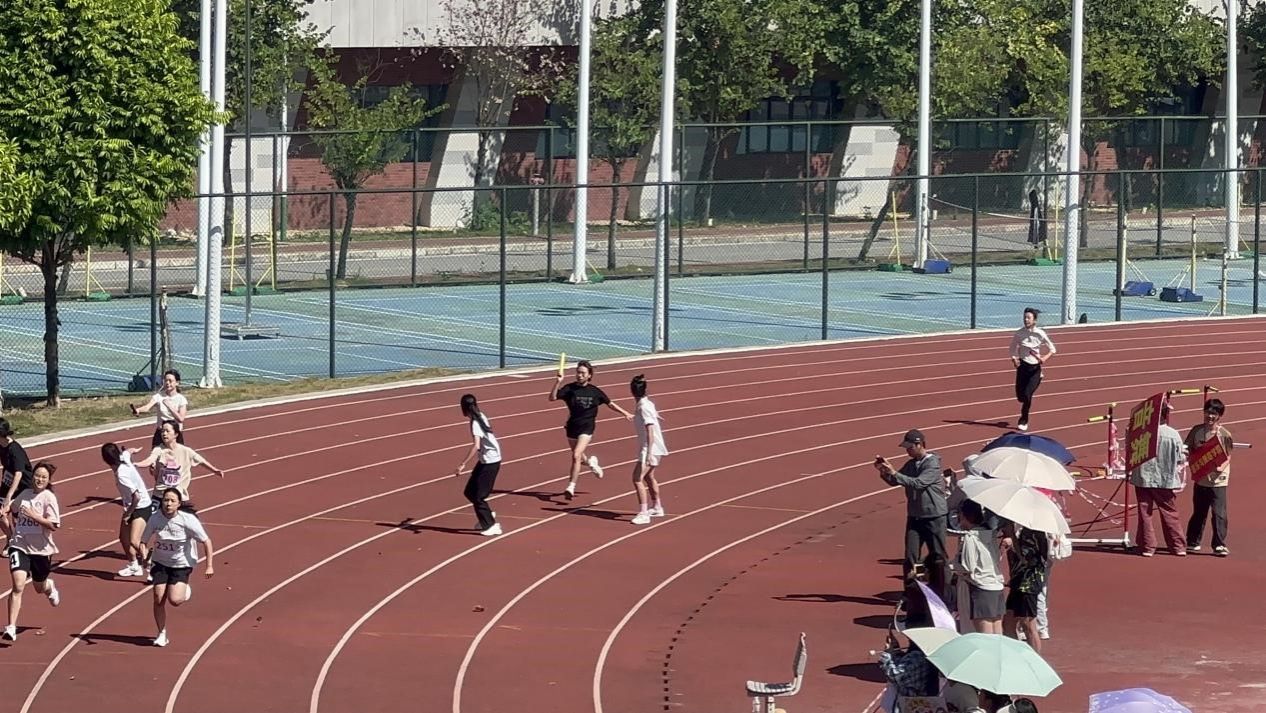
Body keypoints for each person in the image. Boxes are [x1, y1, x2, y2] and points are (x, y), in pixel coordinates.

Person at [548, 360, 633, 501]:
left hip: (587, 428)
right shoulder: (569, 389)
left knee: (576, 455)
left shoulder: (595, 392)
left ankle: (571, 487)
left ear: (589, 375)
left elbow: (610, 404)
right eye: (578, 372)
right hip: (572, 427)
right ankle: (591, 463)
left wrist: (625, 413)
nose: (579, 375)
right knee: (580, 459)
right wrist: (558, 382)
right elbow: (552, 398)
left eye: (583, 373)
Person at [141, 488, 215, 647]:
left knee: (175, 600)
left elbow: (206, 541)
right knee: (158, 598)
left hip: (181, 564)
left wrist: (209, 566)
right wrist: (145, 557)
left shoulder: (187, 520)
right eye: (165, 500)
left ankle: (184, 590)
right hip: (160, 563)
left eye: (172, 501)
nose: (168, 504)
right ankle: (161, 633)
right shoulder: (155, 519)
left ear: (179, 504)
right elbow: (143, 541)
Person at [1, 462, 62, 641]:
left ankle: (49, 587)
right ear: (33, 476)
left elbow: (54, 525)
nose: (39, 479)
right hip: (19, 545)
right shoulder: (25, 494)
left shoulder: (49, 497)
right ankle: (11, 627)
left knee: (38, 587)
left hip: (41, 550)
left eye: (44, 477)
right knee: (18, 585)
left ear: (48, 480)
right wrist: (5, 509)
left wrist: (34, 516)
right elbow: (12, 507)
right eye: (37, 476)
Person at [875, 429, 947, 577]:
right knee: (911, 556)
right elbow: (895, 481)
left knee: (937, 555)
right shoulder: (911, 464)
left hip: (934, 516)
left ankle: (943, 586)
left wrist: (894, 473)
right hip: (915, 516)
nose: (907, 450)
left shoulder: (932, 465)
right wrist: (883, 471)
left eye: (910, 447)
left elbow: (918, 483)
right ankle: (912, 587)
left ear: (919, 444)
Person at [1128, 404, 1186, 557]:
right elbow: (1181, 457)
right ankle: (1178, 546)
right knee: (1169, 512)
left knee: (1145, 512)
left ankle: (1147, 546)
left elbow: (1130, 451)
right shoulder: (1173, 434)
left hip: (1143, 477)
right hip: (1165, 479)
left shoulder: (1141, 433)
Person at [1184, 398, 1232, 557]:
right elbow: (1187, 447)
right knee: (1199, 512)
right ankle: (1193, 542)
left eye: (1214, 414)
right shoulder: (1196, 430)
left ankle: (1219, 544)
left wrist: (1219, 468)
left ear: (1219, 416)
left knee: (1219, 513)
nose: (1210, 416)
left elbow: (1228, 456)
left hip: (1218, 480)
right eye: (1208, 412)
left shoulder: (1224, 434)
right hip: (1201, 478)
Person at [131, 422, 225, 501]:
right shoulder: (158, 449)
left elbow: (201, 461)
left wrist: (215, 470)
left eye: (167, 431)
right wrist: (137, 464)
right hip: (160, 495)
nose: (164, 434)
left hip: (178, 496)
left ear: (176, 434)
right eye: (162, 431)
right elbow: (149, 460)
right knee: (153, 517)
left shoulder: (186, 451)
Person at [101, 442, 153, 578]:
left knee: (135, 541)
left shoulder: (121, 475)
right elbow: (128, 451)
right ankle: (134, 566)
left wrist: (128, 514)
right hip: (131, 506)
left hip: (141, 507)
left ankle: (153, 567)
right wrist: (134, 450)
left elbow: (137, 496)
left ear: (105, 459)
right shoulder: (124, 458)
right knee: (124, 538)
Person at [453, 394, 503, 537]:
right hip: (485, 460)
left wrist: (462, 464)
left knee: (478, 496)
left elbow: (476, 446)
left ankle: (491, 525)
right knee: (469, 492)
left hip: (491, 461)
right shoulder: (480, 415)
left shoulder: (476, 422)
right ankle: (486, 515)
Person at [955, 500, 1004, 634]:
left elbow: (968, 567)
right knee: (997, 634)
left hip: (981, 589)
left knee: (984, 637)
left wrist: (954, 566)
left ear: (964, 516)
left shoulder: (970, 538)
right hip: (996, 586)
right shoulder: (991, 535)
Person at [1003, 524, 1049, 653]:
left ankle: (1035, 659)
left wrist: (1012, 537)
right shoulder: (1025, 531)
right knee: (1008, 623)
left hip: (1028, 583)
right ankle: (1017, 655)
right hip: (1018, 582)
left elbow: (1025, 558)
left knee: (1028, 623)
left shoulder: (1034, 533)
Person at [1009, 308, 1056, 431]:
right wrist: (1014, 359)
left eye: (1028, 318)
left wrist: (1044, 358)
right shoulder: (1019, 333)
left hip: (1035, 369)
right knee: (1020, 397)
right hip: (1022, 367)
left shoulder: (1040, 334)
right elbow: (1012, 348)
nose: (1026, 320)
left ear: (1034, 320)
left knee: (1027, 395)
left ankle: (1024, 419)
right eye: (1024, 317)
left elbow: (1053, 349)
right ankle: (1024, 405)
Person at [629, 374, 668, 525]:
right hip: (651, 447)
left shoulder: (644, 407)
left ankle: (644, 513)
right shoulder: (647, 404)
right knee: (649, 477)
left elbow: (650, 430)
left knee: (637, 478)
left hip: (650, 448)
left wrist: (649, 453)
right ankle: (657, 507)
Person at [130, 369, 188, 447]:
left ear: (177, 383)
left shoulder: (181, 399)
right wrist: (138, 410)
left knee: (177, 454)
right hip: (161, 433)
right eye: (165, 380)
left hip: (174, 435)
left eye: (170, 381)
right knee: (156, 453)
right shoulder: (158, 396)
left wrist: (169, 406)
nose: (167, 383)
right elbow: (147, 407)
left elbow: (181, 419)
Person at [0, 418, 34, 507]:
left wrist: (9, 496)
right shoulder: (1, 445)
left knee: (16, 511)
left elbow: (18, 474)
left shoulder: (14, 450)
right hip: (8, 481)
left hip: (23, 486)